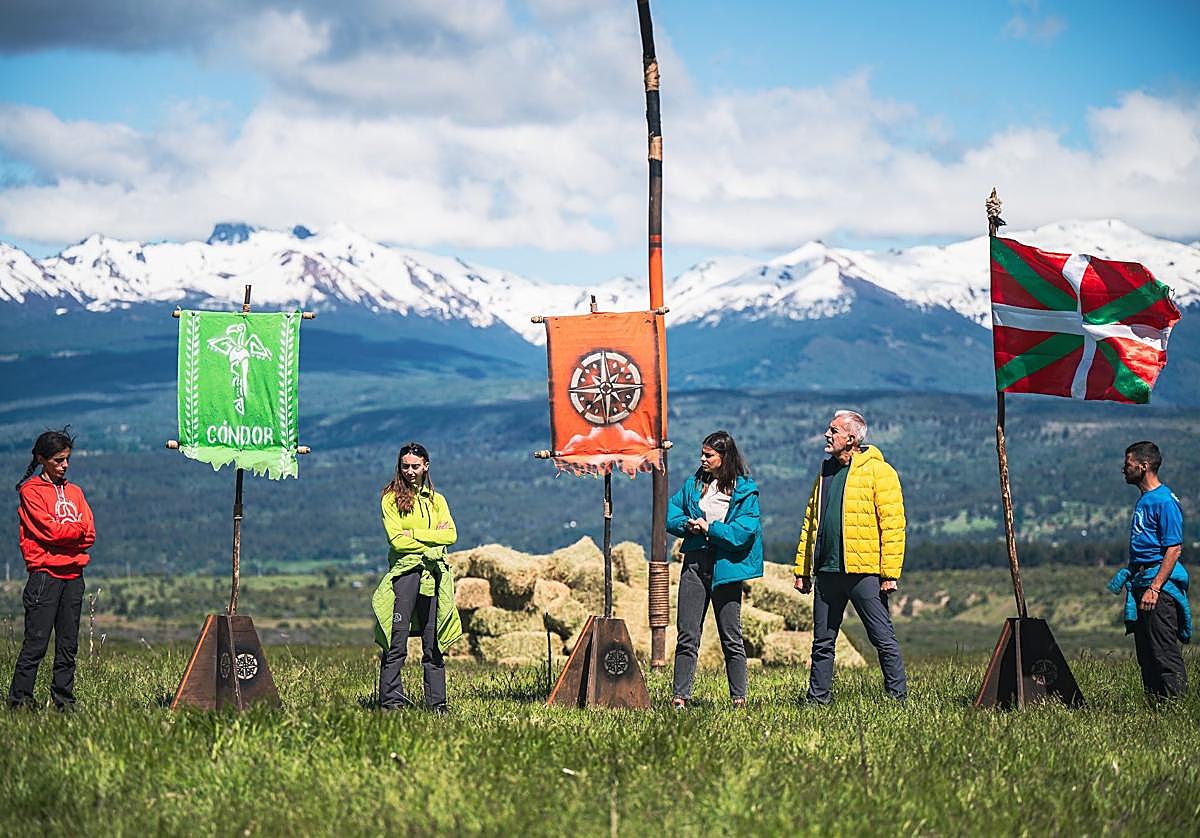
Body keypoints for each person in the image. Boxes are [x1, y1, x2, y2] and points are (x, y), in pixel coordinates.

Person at [793, 410, 907, 704]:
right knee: (822, 641)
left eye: (833, 431)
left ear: (851, 439)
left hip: (863, 572)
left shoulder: (880, 472)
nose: (827, 435)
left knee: (882, 637)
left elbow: (893, 525)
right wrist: (802, 569)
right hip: (827, 571)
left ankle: (897, 698)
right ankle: (818, 699)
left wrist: (889, 574)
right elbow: (811, 522)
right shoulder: (825, 472)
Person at [666, 430, 763, 708]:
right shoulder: (695, 484)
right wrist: (686, 525)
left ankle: (739, 698)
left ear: (724, 457)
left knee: (731, 635)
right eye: (702, 453)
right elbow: (672, 513)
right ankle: (680, 697)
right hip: (695, 562)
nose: (702, 459)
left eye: (708, 455)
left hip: (726, 567)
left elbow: (744, 532)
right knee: (687, 633)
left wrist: (711, 529)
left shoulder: (744, 490)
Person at [8, 428, 96, 710]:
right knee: (36, 643)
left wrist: (68, 534)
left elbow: (90, 534)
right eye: (58, 460)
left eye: (67, 459)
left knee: (68, 645)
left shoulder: (75, 492)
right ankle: (20, 700)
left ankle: (64, 701)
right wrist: (74, 531)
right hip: (45, 576)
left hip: (74, 577)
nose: (64, 465)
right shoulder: (31, 492)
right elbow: (50, 531)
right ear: (41, 459)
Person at [371, 442, 462, 712]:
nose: (410, 471)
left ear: (426, 467)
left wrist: (413, 534)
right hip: (405, 573)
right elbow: (396, 541)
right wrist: (432, 540)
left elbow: (451, 535)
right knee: (396, 641)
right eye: (405, 466)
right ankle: (391, 703)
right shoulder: (390, 499)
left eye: (415, 466)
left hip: (433, 576)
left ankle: (437, 704)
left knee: (433, 642)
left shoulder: (437, 500)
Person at [1107, 441, 1190, 700]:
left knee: (1164, 653)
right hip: (1142, 581)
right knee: (1147, 655)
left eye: (1128, 464)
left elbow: (1173, 549)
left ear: (1143, 466)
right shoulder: (1146, 500)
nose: (1124, 469)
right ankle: (1156, 708)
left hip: (1158, 586)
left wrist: (1155, 588)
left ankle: (1177, 708)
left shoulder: (1165, 501)